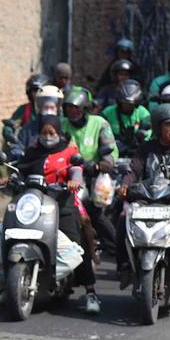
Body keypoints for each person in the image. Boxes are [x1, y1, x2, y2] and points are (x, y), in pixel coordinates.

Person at [4, 116, 102, 313]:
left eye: (51, 133)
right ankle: (4, 285)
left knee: (76, 244)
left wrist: (74, 181)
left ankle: (91, 292)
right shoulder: (32, 151)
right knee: (8, 231)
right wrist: (9, 179)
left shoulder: (69, 150)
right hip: (33, 203)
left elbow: (76, 170)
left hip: (62, 202)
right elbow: (20, 170)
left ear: (58, 133)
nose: (47, 137)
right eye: (43, 133)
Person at [116, 104, 170, 294]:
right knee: (124, 218)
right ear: (157, 127)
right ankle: (124, 267)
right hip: (148, 199)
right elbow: (133, 171)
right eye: (168, 125)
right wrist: (125, 184)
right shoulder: (146, 149)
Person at [61, 88, 118, 252]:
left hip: (92, 174)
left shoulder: (99, 123)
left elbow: (110, 148)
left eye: (76, 107)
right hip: (65, 175)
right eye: (69, 107)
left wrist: (105, 163)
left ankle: (116, 249)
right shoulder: (62, 124)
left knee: (95, 210)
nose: (73, 111)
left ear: (85, 109)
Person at [101, 79, 152, 152]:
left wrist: (143, 136)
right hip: (113, 149)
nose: (127, 106)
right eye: (125, 103)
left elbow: (149, 132)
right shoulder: (108, 112)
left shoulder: (143, 113)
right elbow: (98, 129)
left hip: (137, 150)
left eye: (131, 104)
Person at [14, 84, 63, 151]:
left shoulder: (65, 125)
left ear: (57, 108)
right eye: (46, 107)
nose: (49, 111)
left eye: (52, 107)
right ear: (39, 107)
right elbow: (19, 147)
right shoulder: (28, 128)